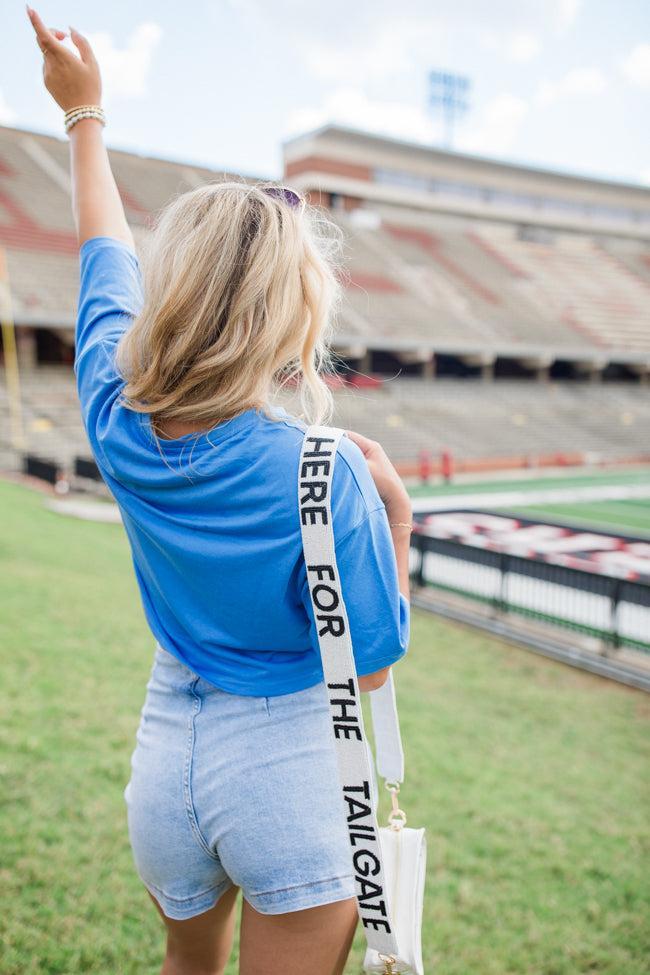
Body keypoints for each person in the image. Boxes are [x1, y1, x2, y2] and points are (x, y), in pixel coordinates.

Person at [27, 8, 412, 975]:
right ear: (291, 327)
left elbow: (103, 253)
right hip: (288, 777)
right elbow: (367, 669)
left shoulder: (113, 413)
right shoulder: (326, 477)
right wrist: (395, 515)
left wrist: (86, 115)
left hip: (165, 770)